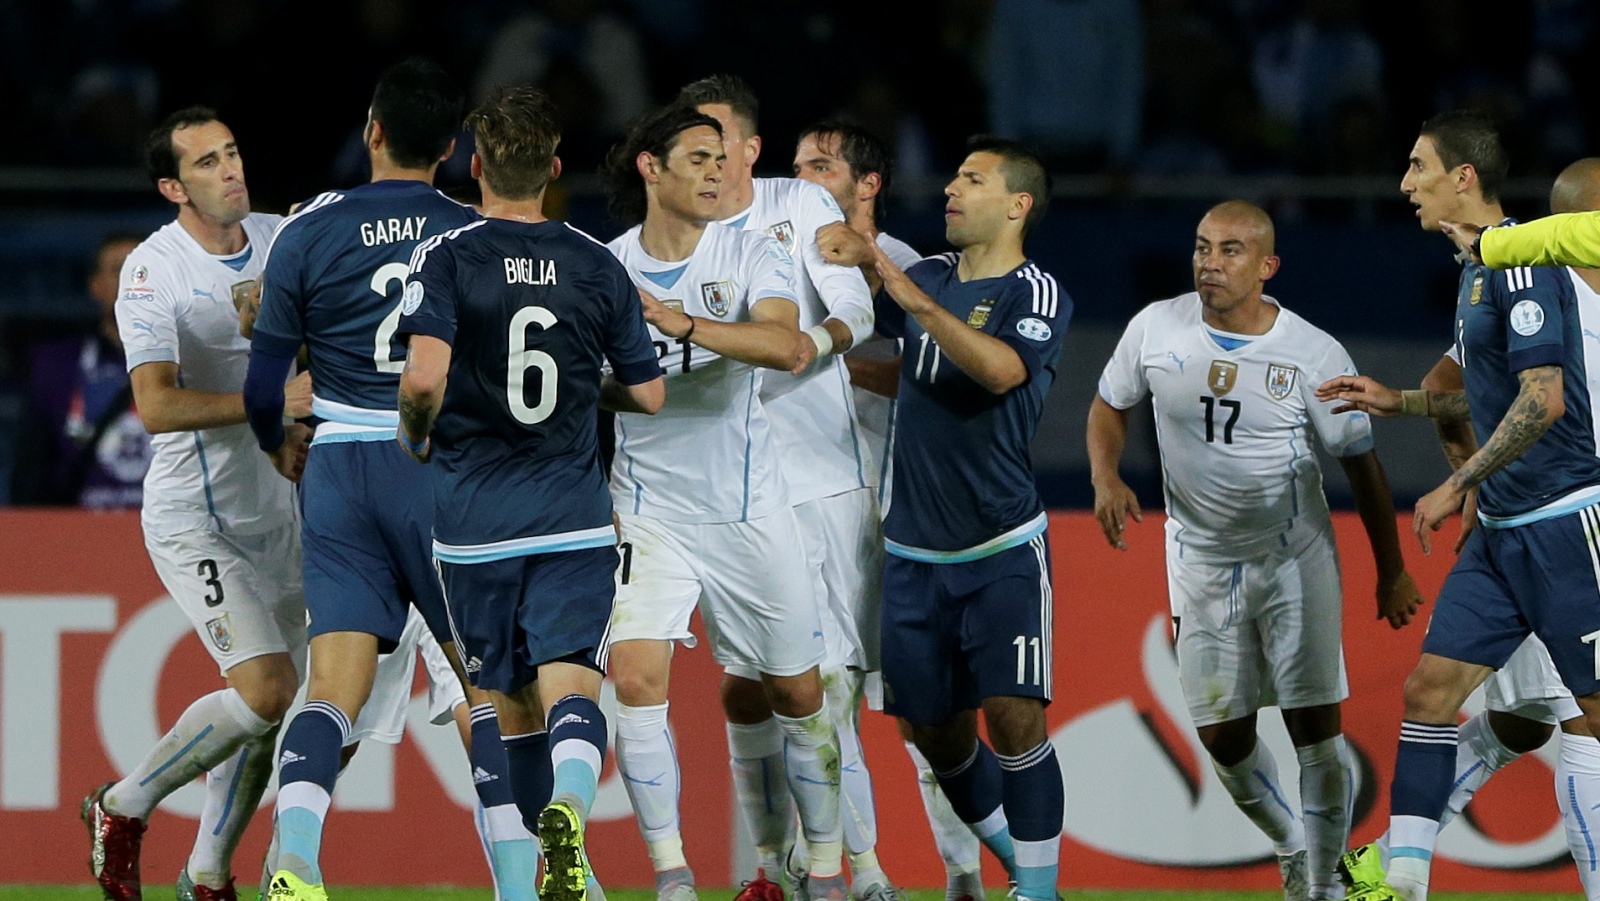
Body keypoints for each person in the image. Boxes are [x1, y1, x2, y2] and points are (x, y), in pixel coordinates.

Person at [240, 58, 541, 901]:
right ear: (452, 148)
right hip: (443, 469)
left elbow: (265, 388)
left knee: (332, 681)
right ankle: (519, 888)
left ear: (371, 128)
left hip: (338, 466)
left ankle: (295, 859)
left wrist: (278, 445)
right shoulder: (478, 231)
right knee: (490, 690)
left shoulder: (306, 227)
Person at [1086, 199, 1420, 901]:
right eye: (1203, 246)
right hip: (1200, 560)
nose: (1210, 261)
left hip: (1293, 557)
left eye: (1231, 250)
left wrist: (1392, 571)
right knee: (1223, 738)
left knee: (1314, 730)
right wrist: (1105, 474)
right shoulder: (1155, 326)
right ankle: (1293, 844)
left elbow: (1362, 466)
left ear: (1268, 266)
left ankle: (1322, 883)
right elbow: (1109, 403)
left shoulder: (1313, 352)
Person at [1317, 113, 1600, 901]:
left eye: (1417, 166)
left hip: (1566, 523)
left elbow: (1542, 401)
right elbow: (1464, 387)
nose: (1404, 183)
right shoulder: (1481, 271)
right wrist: (1399, 400)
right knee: (1434, 692)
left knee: (1573, 722)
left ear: (1463, 177)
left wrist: (1458, 478)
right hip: (1509, 527)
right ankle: (1400, 880)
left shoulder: (1524, 264)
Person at [394, 84, 665, 901]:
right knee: (574, 680)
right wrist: (585, 389)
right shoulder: (597, 261)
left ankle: (526, 887)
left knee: (507, 707)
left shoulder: (446, 257)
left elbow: (424, 379)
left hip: (474, 522)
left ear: (475, 167)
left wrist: (415, 433)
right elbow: (649, 393)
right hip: (572, 515)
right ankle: (572, 816)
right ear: (552, 169)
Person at [599, 102, 847, 901]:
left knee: (798, 693)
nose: (716, 171)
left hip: (747, 503)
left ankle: (828, 872)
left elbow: (789, 345)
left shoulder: (750, 251)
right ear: (651, 167)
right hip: (647, 506)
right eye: (698, 158)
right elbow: (592, 385)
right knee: (635, 680)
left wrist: (684, 324)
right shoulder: (605, 266)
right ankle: (672, 875)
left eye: (721, 158)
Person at [82, 107, 313, 901]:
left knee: (270, 709)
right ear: (172, 186)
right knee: (266, 689)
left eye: (234, 152)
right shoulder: (154, 271)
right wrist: (273, 402)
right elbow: (155, 405)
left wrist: (293, 423)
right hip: (197, 517)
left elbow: (312, 348)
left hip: (282, 509)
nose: (231, 171)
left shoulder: (283, 238)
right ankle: (123, 802)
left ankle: (209, 874)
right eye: (208, 162)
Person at [831, 136, 1067, 901]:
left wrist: (912, 299)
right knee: (935, 734)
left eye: (974, 180)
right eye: (955, 176)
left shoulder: (1037, 293)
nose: (952, 190)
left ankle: (1035, 892)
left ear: (1017, 204)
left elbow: (999, 370)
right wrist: (827, 366)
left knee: (1016, 719)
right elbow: (921, 370)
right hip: (911, 551)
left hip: (1000, 546)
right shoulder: (929, 276)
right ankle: (1011, 857)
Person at [675, 75, 888, 901]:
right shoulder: (671, 226)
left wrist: (814, 342)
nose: (705, 153)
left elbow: (854, 310)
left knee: (828, 682)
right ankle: (770, 870)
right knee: (747, 683)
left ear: (751, 147)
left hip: (820, 476)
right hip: (728, 486)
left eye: (717, 137)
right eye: (691, 139)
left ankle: (858, 875)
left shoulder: (797, 208)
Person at [793, 120, 988, 901]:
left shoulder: (911, 268)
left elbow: (937, 372)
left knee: (921, 710)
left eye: (821, 166)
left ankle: (965, 870)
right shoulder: (783, 264)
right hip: (812, 498)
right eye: (796, 165)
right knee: (825, 687)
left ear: (867, 185)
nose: (801, 178)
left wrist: (819, 363)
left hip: (904, 507)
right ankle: (858, 873)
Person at [14, 232, 151, 508]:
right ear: (95, 285)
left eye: (139, 270)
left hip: (168, 536)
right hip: (78, 536)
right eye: (116, 269)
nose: (128, 280)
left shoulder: (195, 361)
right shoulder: (54, 366)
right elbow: (31, 470)